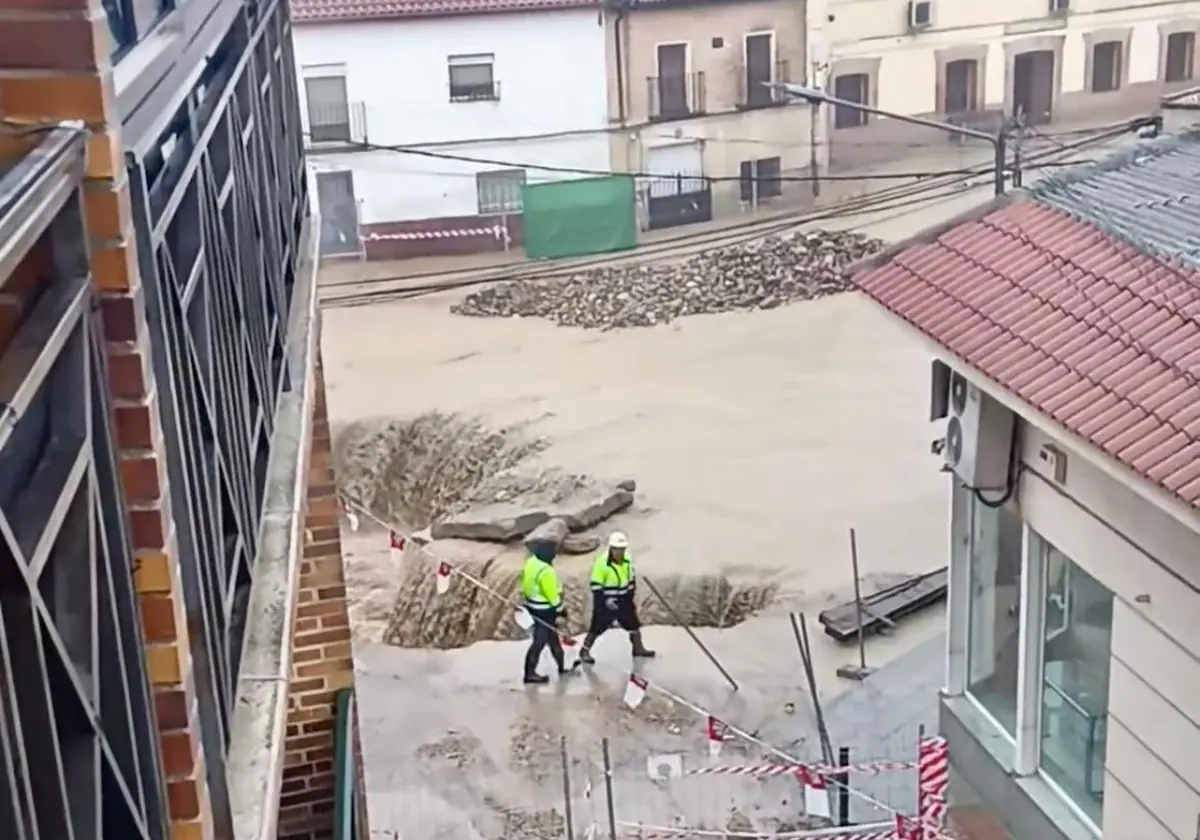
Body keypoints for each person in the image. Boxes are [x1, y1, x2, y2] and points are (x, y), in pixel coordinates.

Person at [578, 531, 656, 664]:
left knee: (633, 624)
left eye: (622, 549)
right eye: (617, 550)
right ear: (611, 549)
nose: (620, 552)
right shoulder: (602, 563)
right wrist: (605, 601)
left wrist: (630, 594)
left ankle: (638, 648)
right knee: (597, 627)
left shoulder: (627, 559)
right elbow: (596, 585)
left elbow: (630, 577)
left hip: (623, 598)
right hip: (606, 600)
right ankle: (584, 651)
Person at [521, 540, 571, 684]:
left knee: (553, 639)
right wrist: (562, 610)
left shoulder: (531, 562)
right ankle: (529, 674)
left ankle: (562, 668)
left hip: (532, 606)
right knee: (540, 642)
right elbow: (553, 597)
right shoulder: (546, 571)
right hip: (545, 610)